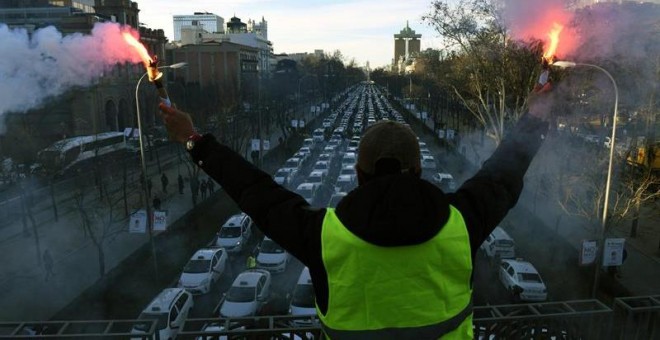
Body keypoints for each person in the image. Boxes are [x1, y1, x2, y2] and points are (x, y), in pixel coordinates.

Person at [158, 88, 550, 338]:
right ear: (418, 171)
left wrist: (195, 140)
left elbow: (257, 193)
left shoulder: (325, 236)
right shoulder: (461, 225)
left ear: (359, 175)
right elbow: (504, 173)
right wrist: (536, 115)